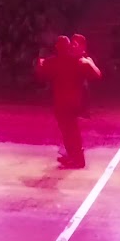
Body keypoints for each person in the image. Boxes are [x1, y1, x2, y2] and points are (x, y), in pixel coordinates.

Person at [36, 36, 101, 169]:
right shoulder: (77, 61)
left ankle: (77, 159)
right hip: (74, 101)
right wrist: (90, 63)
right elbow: (97, 75)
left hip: (62, 102)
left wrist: (40, 60)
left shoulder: (55, 61)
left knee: (69, 131)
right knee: (71, 130)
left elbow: (41, 72)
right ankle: (74, 157)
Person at [71, 33, 94, 119]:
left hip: (81, 80)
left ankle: (84, 112)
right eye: (72, 43)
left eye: (75, 43)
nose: (73, 45)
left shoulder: (84, 55)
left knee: (83, 90)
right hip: (74, 79)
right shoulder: (72, 54)